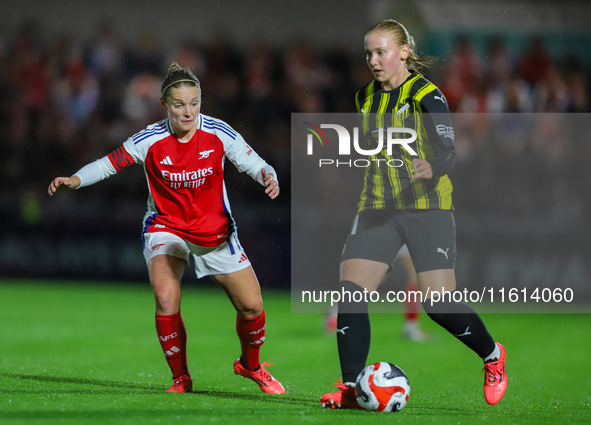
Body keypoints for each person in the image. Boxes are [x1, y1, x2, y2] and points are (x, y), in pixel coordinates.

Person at [48, 63, 285, 395]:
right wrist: (74, 179)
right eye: (179, 105)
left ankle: (250, 365)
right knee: (166, 294)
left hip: (214, 232)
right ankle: (181, 378)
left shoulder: (218, 132)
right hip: (165, 226)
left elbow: (253, 161)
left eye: (194, 103)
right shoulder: (149, 140)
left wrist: (267, 175)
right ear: (164, 105)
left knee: (252, 307)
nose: (188, 112)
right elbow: (107, 164)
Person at [320, 20, 507, 408]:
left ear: (404, 52)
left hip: (428, 209)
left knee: (438, 305)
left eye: (381, 51)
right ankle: (352, 389)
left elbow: (449, 151)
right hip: (377, 208)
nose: (373, 60)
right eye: (368, 53)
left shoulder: (427, 95)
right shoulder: (364, 99)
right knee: (351, 294)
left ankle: (493, 357)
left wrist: (431, 167)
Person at [323, 245, 430, 342]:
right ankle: (335, 312)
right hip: (391, 229)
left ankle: (411, 327)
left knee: (416, 274)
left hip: (409, 229)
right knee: (373, 278)